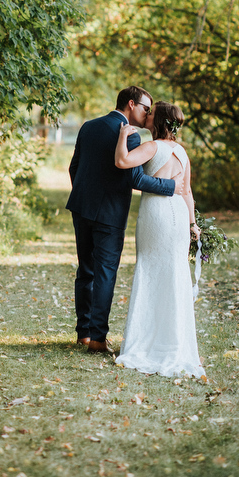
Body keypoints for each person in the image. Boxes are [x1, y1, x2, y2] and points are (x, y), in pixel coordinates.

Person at [66, 86, 178, 355]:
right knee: (105, 274)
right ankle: (98, 339)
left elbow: (74, 167)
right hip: (110, 214)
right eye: (145, 108)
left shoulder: (88, 126)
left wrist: (85, 195)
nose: (147, 114)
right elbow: (136, 179)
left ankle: (83, 332)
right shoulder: (130, 135)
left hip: (81, 209)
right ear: (131, 104)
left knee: (86, 271)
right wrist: (171, 187)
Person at [113, 100, 204, 377]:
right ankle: (175, 342)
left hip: (156, 213)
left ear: (160, 121)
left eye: (151, 114)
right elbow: (186, 192)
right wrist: (193, 223)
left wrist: (122, 137)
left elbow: (121, 161)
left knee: (151, 268)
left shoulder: (152, 147)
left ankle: (147, 343)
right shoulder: (182, 152)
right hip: (177, 213)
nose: (147, 116)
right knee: (176, 272)